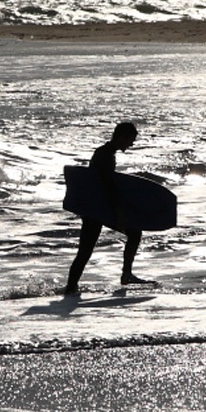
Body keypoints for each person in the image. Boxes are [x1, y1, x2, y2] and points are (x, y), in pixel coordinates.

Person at [64, 121, 155, 295]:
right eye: (130, 140)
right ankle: (124, 275)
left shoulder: (105, 152)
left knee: (86, 250)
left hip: (96, 208)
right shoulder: (105, 155)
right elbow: (108, 186)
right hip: (98, 210)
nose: (131, 144)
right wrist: (119, 212)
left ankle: (71, 287)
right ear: (122, 137)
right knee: (132, 234)